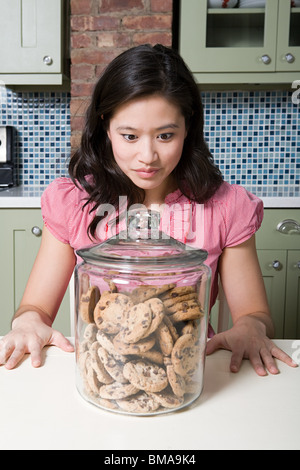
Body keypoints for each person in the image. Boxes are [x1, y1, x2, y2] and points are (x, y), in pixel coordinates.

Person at [0, 44, 297, 375]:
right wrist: (27, 322)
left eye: (166, 135)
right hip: (100, 371)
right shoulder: (75, 202)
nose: (147, 156)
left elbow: (254, 314)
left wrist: (252, 328)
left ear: (189, 128)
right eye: (129, 136)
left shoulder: (225, 207)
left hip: (190, 372)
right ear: (105, 127)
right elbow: (36, 306)